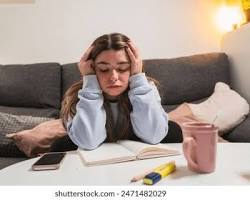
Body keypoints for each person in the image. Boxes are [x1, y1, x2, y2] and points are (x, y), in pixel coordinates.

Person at [51, 33, 182, 152]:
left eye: (122, 68)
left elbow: (154, 136)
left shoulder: (146, 88)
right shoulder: (78, 95)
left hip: (136, 154)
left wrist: (137, 78)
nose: (113, 77)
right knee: (60, 144)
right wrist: (90, 85)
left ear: (133, 67)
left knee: (173, 130)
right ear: (91, 69)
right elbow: (88, 142)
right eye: (103, 69)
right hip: (94, 159)